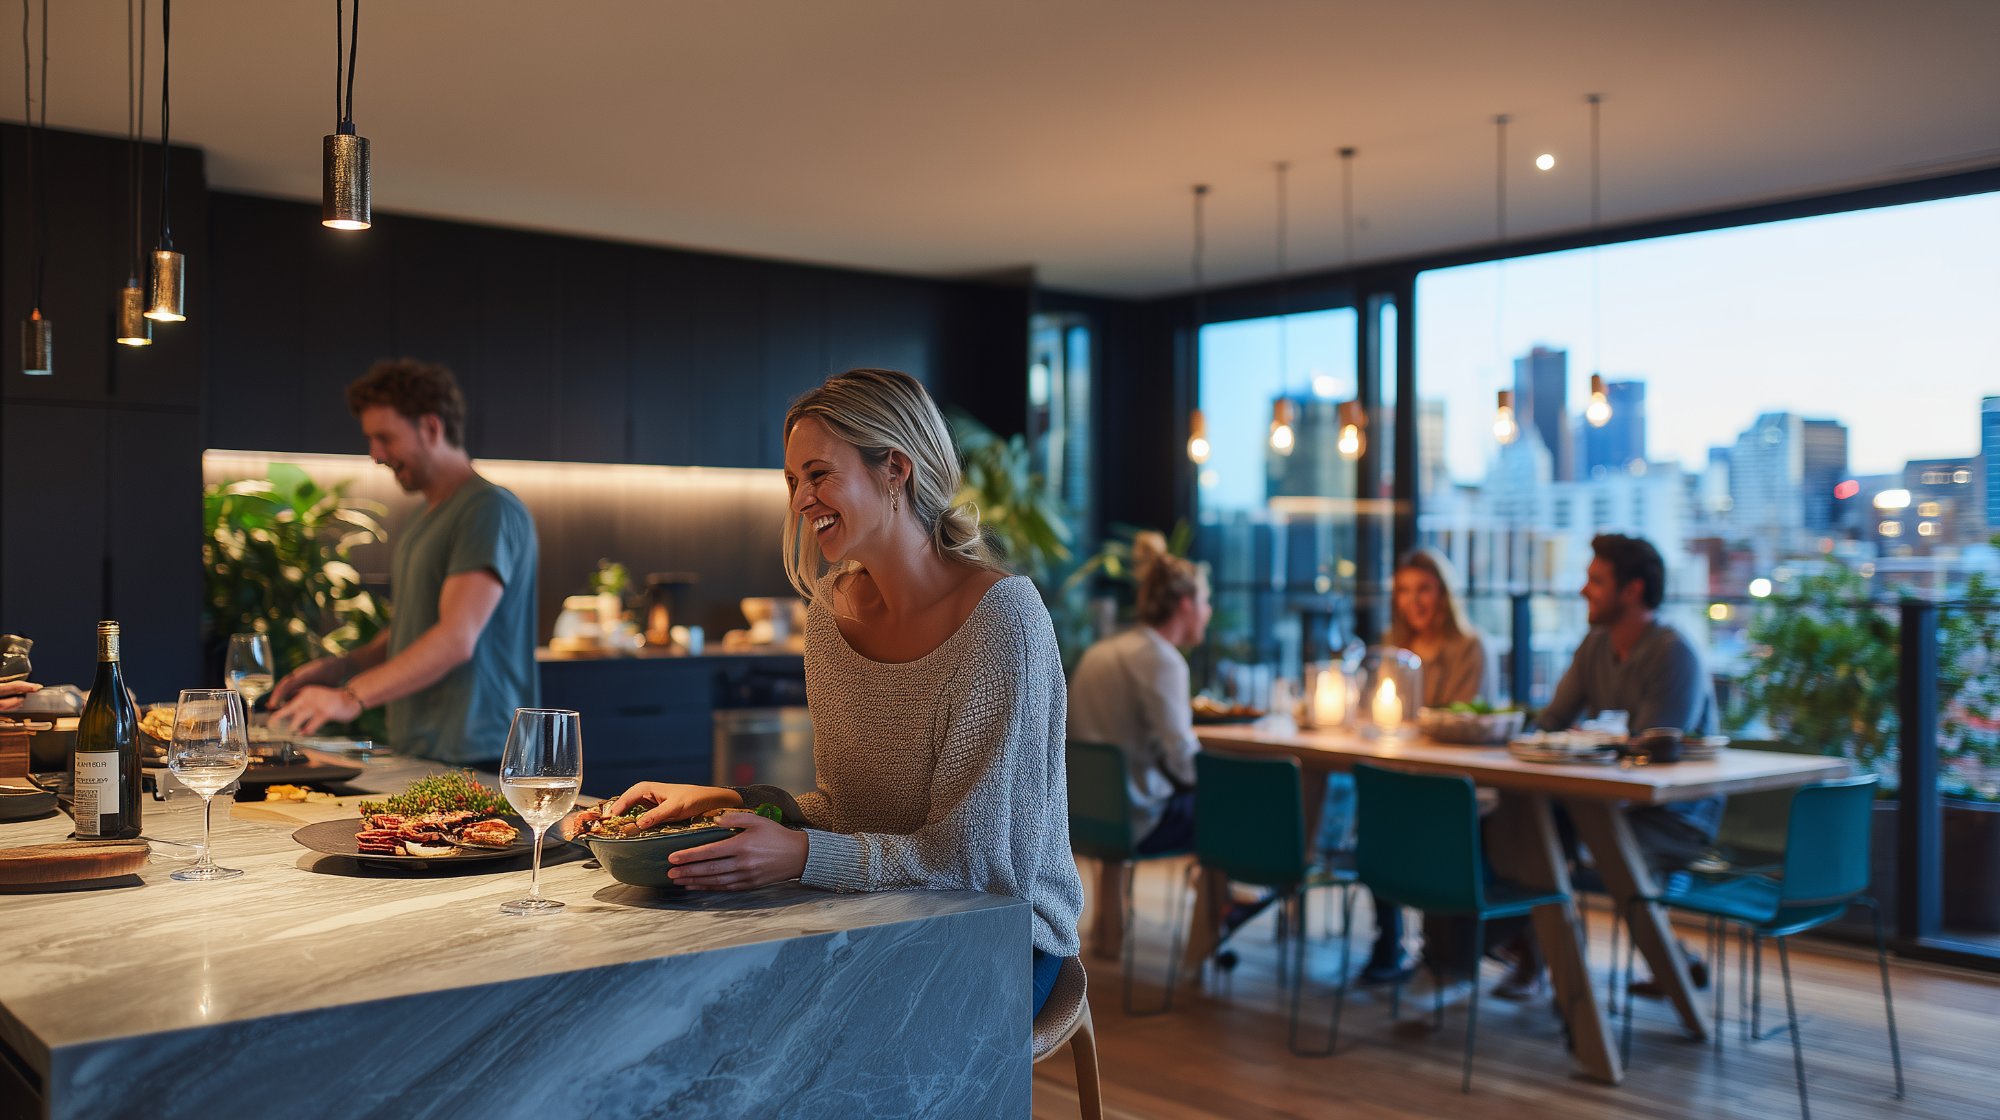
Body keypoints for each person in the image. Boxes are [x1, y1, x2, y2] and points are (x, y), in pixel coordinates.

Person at [579, 368, 1083, 1017]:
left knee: (786, 1018)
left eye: (817, 475)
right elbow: (852, 809)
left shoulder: (1001, 623)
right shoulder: (831, 611)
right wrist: (736, 802)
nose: (800, 500)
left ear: (895, 469)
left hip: (1005, 940)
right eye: (792, 481)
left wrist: (801, 854)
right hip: (882, 912)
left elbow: (978, 870)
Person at [269, 359, 540, 766]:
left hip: (481, 751)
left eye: (385, 438)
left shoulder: (487, 510)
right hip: (426, 748)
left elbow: (455, 638)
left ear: (431, 428)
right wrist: (341, 667)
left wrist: (350, 697)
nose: (376, 455)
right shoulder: (425, 516)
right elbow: (416, 627)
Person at [1495, 532, 1721, 998]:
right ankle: (1544, 953)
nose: (1583, 590)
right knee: (1518, 823)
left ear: (1632, 590)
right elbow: (1552, 723)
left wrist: (1593, 741)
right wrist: (1587, 739)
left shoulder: (1673, 653)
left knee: (1567, 839)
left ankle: (1552, 959)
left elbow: (1655, 755)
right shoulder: (1595, 645)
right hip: (1607, 805)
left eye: (1596, 581)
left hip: (1674, 816)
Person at [1323, 548, 1497, 983]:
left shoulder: (1471, 647)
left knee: (1399, 811)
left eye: (1425, 590)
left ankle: (1441, 954)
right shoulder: (1392, 648)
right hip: (1405, 776)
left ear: (1444, 593)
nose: (1414, 601)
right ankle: (1389, 938)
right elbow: (1373, 715)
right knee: (1376, 806)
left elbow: (1464, 720)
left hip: (1455, 783)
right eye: (1404, 591)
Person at [1067, 531, 1208, 854]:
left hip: (1085, 815)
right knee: (1222, 814)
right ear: (1185, 604)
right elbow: (1184, 762)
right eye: (1205, 601)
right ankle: (1221, 905)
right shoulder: (1163, 660)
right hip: (1139, 819)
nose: (1208, 611)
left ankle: (1111, 905)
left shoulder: (1099, 651)